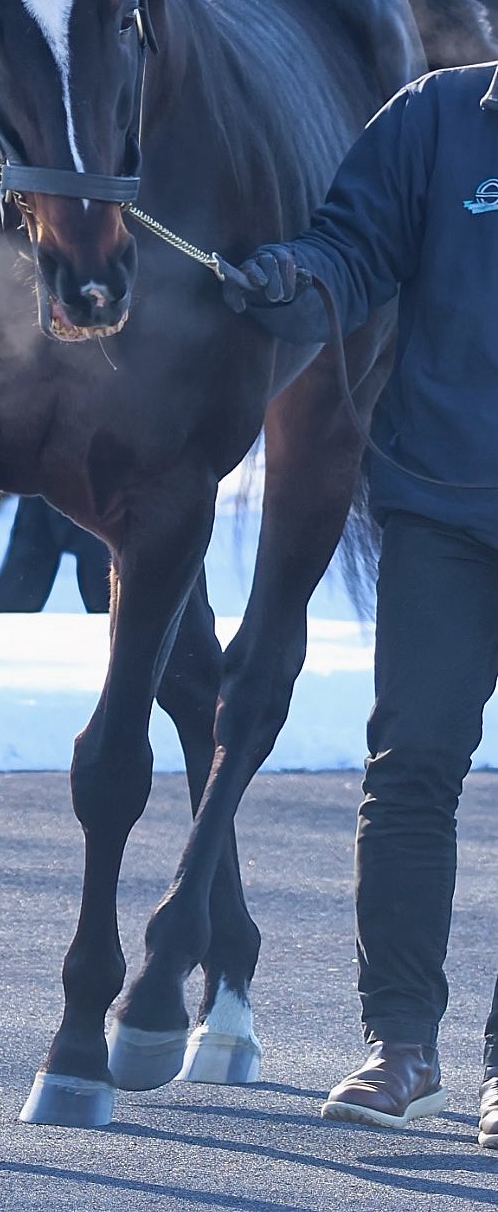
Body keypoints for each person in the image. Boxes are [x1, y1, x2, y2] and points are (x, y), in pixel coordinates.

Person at [221, 60, 498, 1149]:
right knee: (410, 767)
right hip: (440, 506)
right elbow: (353, 245)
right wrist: (295, 274)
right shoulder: (438, 117)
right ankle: (401, 1045)